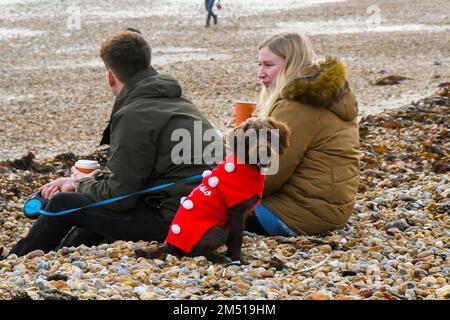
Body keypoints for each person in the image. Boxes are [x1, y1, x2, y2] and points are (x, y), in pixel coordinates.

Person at [1, 29, 218, 258]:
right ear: (150, 65)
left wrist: (81, 184)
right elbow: (139, 175)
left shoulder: (134, 114)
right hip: (208, 215)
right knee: (89, 203)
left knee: (63, 203)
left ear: (110, 76)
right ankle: (57, 253)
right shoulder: (176, 99)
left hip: (179, 220)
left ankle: (16, 257)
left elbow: (121, 198)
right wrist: (88, 183)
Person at [245, 32, 360, 236]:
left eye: (268, 65)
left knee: (199, 208)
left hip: (301, 213)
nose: (260, 73)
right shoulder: (316, 95)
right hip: (328, 208)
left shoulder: (297, 105)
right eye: (259, 64)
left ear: (292, 64)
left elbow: (271, 174)